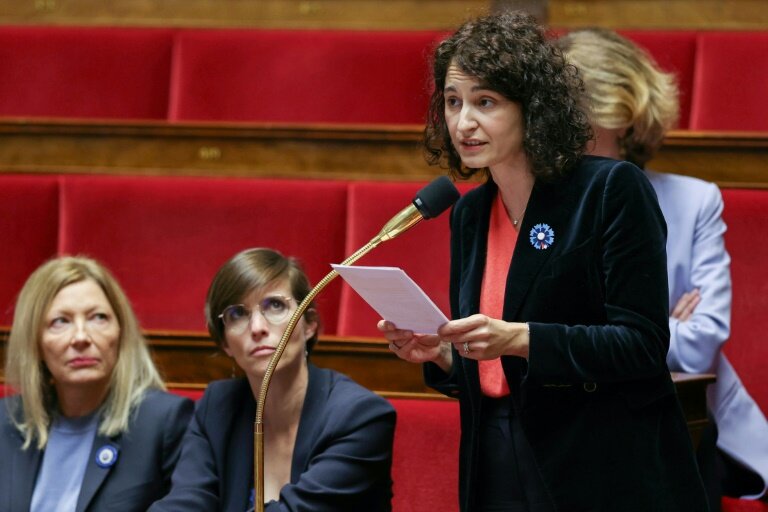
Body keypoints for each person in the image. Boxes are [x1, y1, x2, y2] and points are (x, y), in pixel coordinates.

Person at [380, 11, 709, 512]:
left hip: (601, 462)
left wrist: (520, 337)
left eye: (485, 102)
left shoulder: (609, 191)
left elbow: (641, 344)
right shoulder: (469, 213)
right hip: (496, 454)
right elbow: (492, 367)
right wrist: (442, 355)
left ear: (532, 108)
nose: (463, 122)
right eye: (452, 102)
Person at [557, 27, 768, 504]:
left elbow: (701, 346)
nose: (564, 128)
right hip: (568, 424)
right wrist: (654, 328)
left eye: (580, 112)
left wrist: (608, 336)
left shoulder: (694, 201)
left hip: (673, 425)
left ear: (625, 117)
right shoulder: (535, 206)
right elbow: (531, 332)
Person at [150, 248, 396, 511]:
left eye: (275, 305)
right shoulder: (217, 407)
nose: (257, 328)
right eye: (237, 314)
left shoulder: (359, 416)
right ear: (225, 343)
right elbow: (186, 502)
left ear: (309, 324)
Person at [0, 256, 193, 512]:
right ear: (35, 342)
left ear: (120, 332)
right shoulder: (6, 420)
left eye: (98, 317)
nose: (81, 337)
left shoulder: (165, 421)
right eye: (61, 321)